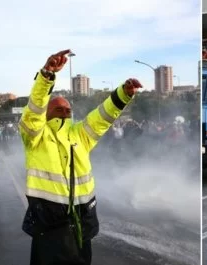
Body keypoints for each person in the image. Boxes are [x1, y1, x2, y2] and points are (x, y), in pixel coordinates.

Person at [19, 49, 142, 265]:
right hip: (50, 222)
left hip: (82, 218)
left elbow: (102, 116)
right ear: (46, 114)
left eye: (68, 110)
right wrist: (47, 75)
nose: (65, 112)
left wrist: (123, 94)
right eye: (58, 109)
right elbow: (34, 108)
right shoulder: (35, 134)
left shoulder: (79, 134)